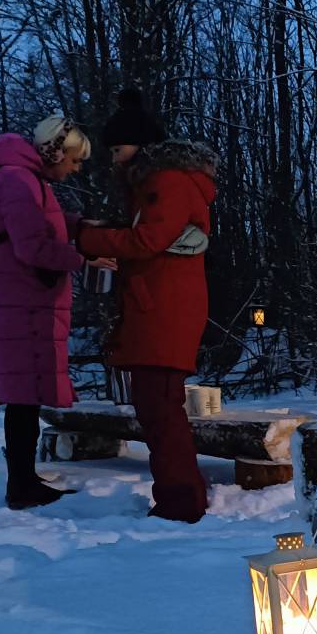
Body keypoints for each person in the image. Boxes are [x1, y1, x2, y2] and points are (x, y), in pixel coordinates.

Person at [78, 90, 218, 523]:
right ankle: (177, 495)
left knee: (160, 408)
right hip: (159, 307)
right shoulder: (153, 184)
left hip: (165, 311)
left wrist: (89, 239)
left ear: (138, 147)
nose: (114, 160)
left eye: (118, 150)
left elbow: (149, 240)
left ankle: (182, 500)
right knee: (156, 407)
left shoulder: (167, 181)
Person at [0, 116, 117, 510]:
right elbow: (31, 246)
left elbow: (38, 224)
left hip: (22, 297)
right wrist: (84, 259)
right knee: (21, 396)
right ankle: (21, 485)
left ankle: (24, 480)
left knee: (25, 394)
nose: (75, 168)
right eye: (74, 160)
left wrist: (78, 225)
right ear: (55, 152)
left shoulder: (27, 181)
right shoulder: (17, 181)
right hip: (18, 299)